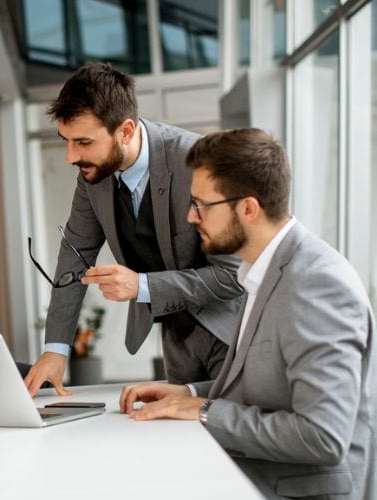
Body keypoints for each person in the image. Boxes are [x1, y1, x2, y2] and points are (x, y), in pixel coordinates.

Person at [120, 128, 376, 499]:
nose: (192, 217)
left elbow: (322, 436)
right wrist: (185, 393)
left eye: (201, 205)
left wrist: (205, 410)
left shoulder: (315, 284)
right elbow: (272, 387)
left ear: (248, 208)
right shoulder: (263, 271)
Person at [25, 63, 244, 396]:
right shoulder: (92, 177)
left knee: (230, 440)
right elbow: (73, 258)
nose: (71, 156)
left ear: (125, 131)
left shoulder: (197, 161)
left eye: (83, 142)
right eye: (66, 141)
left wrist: (140, 285)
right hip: (175, 339)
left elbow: (232, 275)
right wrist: (56, 350)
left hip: (233, 332)